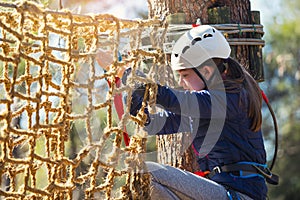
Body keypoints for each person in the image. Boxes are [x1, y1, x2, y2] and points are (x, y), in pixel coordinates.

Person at [127, 25, 279, 200]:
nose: (181, 83)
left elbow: (178, 101)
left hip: (238, 195)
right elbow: (151, 124)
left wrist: (137, 81)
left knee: (147, 174)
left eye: (185, 75)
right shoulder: (206, 109)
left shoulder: (231, 99)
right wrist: (129, 92)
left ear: (207, 71)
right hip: (223, 191)